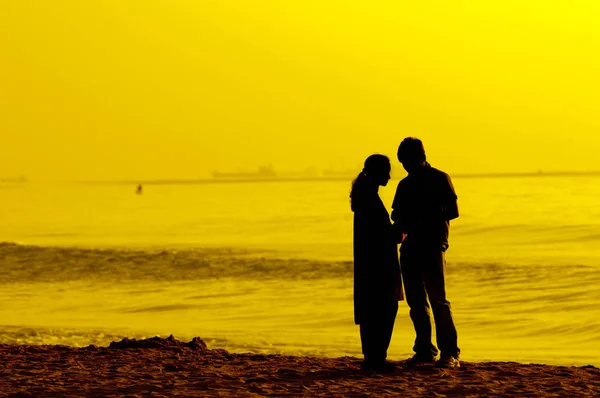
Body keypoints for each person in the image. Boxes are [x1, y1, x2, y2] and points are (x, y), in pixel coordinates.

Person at [391, 137, 461, 368]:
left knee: (438, 300)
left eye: (408, 161)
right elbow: (396, 215)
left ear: (420, 157)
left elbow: (453, 210)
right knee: (416, 303)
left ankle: (449, 352)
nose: (406, 167)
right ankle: (424, 350)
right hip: (410, 246)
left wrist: (424, 215)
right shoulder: (405, 185)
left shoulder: (440, 178)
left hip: (432, 245)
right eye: (403, 163)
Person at [350, 154, 403, 372]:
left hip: (368, 262)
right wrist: (401, 230)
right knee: (385, 308)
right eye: (387, 171)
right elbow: (387, 235)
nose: (390, 176)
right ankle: (376, 359)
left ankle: (372, 357)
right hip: (380, 263)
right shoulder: (370, 199)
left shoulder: (364, 195)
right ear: (378, 172)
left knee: (372, 310)